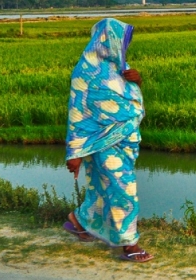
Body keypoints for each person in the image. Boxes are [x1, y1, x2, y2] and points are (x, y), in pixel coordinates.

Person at [63, 18, 153, 262]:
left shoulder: (120, 67)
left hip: (125, 142)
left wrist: (137, 81)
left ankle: (79, 220)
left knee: (103, 189)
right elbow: (78, 113)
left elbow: (131, 98)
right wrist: (76, 153)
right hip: (101, 144)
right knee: (123, 190)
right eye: (121, 41)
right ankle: (129, 244)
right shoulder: (84, 73)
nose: (124, 47)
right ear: (106, 40)